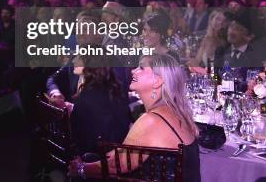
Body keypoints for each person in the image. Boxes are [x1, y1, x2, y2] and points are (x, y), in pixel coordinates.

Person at [69, 54, 200, 181]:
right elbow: (120, 154)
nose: (133, 71)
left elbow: (117, 165)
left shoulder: (152, 121)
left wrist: (81, 169)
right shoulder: (174, 113)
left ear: (157, 81)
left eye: (141, 68)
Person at [69, 53, 131, 156]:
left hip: (97, 157)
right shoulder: (110, 88)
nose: (73, 60)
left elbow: (78, 135)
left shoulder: (88, 96)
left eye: (79, 57)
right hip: (114, 151)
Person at [187, 9, 228, 73]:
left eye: (224, 21)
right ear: (211, 19)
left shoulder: (225, 42)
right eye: (218, 19)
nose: (220, 22)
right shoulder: (207, 39)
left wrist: (198, 68)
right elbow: (197, 60)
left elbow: (218, 73)